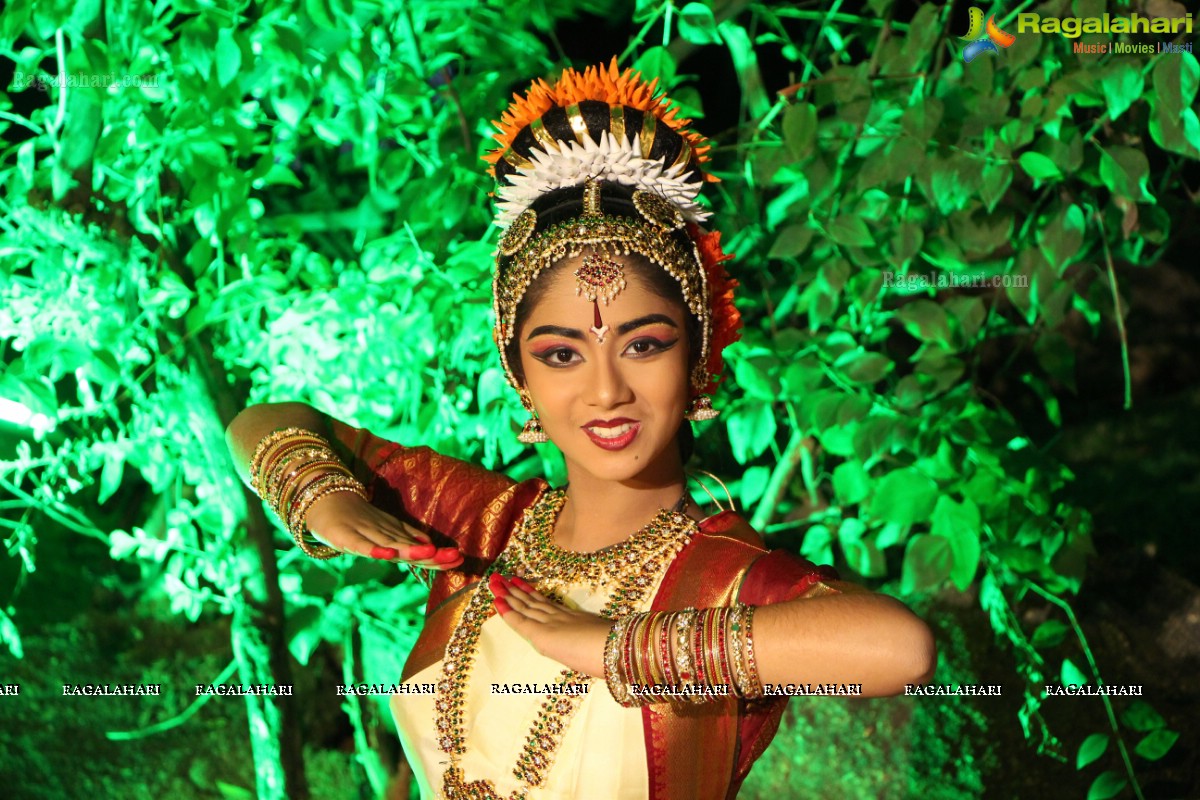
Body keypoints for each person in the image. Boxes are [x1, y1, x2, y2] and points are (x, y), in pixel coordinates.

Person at [225, 60, 936, 800]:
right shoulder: (487, 531)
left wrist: (606, 647)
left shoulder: (720, 576)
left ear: (696, 354)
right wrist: (325, 500)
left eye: (643, 344)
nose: (605, 390)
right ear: (519, 376)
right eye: (562, 353)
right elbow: (260, 423)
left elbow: (899, 647)